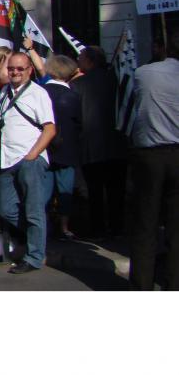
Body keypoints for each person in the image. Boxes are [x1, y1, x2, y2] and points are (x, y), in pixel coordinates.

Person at [0, 52, 56, 275]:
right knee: (6, 209)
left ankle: (34, 257)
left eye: (20, 69)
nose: (15, 72)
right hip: (7, 158)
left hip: (29, 159)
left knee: (34, 210)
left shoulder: (38, 93)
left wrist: (33, 155)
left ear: (29, 70)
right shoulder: (5, 93)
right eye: (12, 69)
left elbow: (50, 128)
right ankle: (38, 238)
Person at [128, 31, 179, 291]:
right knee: (174, 226)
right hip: (172, 152)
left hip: (150, 154)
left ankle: (142, 285)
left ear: (161, 48)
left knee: (146, 223)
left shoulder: (144, 74)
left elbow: (126, 111)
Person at [72, 45, 126, 239]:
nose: (77, 61)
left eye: (81, 58)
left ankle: (98, 228)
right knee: (116, 190)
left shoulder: (78, 85)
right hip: (117, 144)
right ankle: (117, 226)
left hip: (91, 146)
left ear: (90, 61)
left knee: (95, 191)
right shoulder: (117, 80)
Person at [43, 55, 82, 239]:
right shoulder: (73, 96)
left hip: (44, 148)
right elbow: (79, 122)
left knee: (44, 192)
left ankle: (44, 226)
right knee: (65, 190)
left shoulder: (41, 91)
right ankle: (65, 227)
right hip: (67, 149)